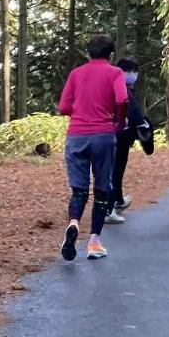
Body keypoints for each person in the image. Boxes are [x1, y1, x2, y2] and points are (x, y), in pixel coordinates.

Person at [55, 35, 128, 261]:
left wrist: (81, 111)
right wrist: (118, 121)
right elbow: (123, 99)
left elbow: (63, 107)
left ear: (89, 53)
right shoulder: (115, 73)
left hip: (76, 135)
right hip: (103, 135)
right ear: (111, 54)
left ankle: (74, 223)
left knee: (79, 190)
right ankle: (94, 242)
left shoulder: (76, 73)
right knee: (102, 189)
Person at [109, 57, 151, 220]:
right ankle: (109, 207)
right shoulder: (121, 89)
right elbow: (134, 112)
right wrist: (143, 126)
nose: (133, 74)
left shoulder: (124, 88)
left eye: (135, 71)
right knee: (115, 170)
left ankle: (117, 200)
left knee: (117, 170)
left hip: (120, 134)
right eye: (129, 71)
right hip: (118, 134)